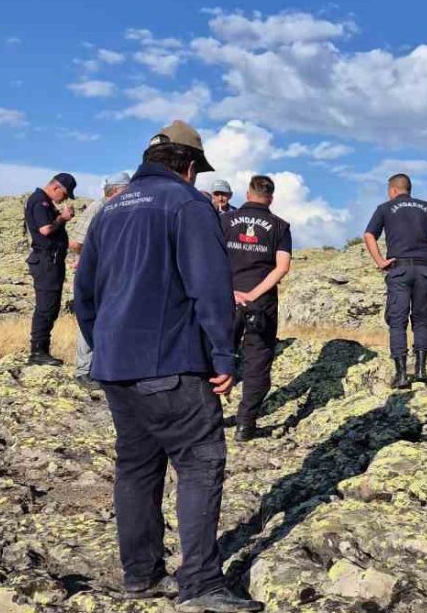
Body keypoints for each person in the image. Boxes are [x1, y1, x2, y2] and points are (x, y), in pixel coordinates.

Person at [74, 120, 262, 613]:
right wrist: (224, 355)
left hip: (116, 367)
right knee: (201, 462)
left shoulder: (109, 211)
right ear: (191, 167)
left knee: (136, 469)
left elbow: (84, 296)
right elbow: (208, 286)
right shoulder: (188, 204)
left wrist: (106, 348)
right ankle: (200, 585)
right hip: (171, 363)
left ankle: (141, 576)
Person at [363, 173, 427, 389]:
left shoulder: (385, 208)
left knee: (397, 321)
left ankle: (401, 376)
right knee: (422, 319)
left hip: (399, 269)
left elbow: (369, 235)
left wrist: (380, 261)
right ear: (409, 189)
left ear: (392, 190)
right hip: (425, 269)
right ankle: (421, 371)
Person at [221, 175, 292, 442]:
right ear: (271, 197)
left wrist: (229, 291)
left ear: (248, 194)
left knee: (214, 355)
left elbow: (210, 258)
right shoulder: (280, 226)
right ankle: (245, 425)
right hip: (261, 304)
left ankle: (209, 418)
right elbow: (282, 267)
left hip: (224, 299)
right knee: (257, 363)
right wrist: (253, 294)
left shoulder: (224, 221)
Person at [68, 172, 130, 389]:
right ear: (115, 190)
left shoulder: (122, 210)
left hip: (113, 273)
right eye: (126, 190)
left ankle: (103, 368)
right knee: (91, 317)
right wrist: (92, 259)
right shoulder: (98, 208)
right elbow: (75, 243)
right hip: (94, 273)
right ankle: (83, 371)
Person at [24, 172, 77, 366]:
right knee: (46, 306)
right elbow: (45, 230)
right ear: (56, 188)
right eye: (64, 194)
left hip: (51, 261)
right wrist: (62, 218)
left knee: (51, 306)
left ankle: (42, 349)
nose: (64, 198)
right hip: (46, 261)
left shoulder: (44, 201)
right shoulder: (40, 201)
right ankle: (37, 351)